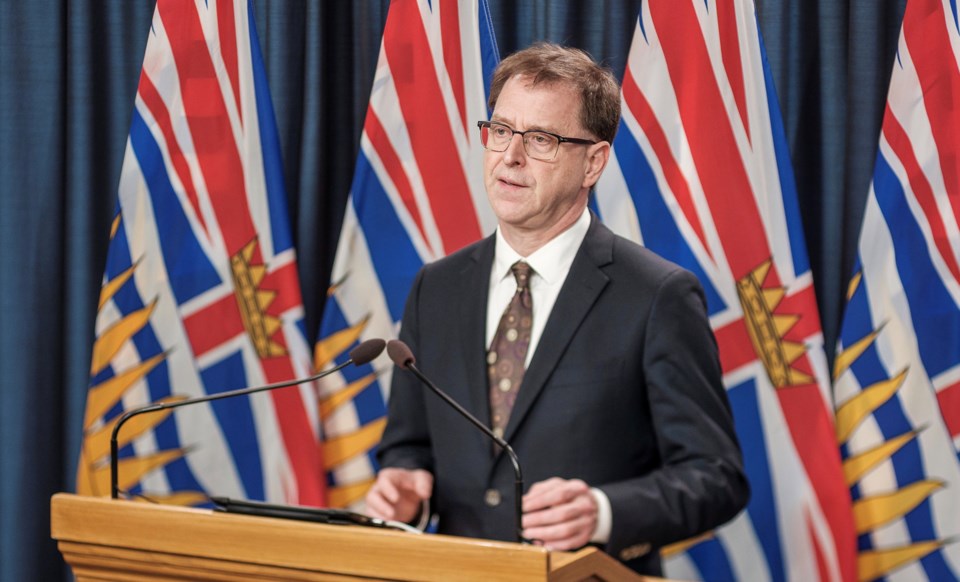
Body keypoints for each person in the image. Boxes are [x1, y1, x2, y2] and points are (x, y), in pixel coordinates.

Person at [365, 42, 749, 576]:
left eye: (541, 139)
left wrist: (604, 512)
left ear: (594, 161)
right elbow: (408, 447)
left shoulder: (658, 295)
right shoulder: (438, 287)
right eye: (500, 131)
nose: (510, 157)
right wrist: (407, 487)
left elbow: (716, 477)